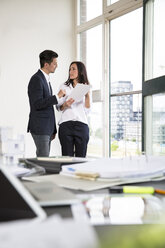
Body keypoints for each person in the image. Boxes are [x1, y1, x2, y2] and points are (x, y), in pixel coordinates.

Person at [27, 50, 66, 157]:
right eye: (54, 63)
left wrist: (52, 129)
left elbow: (48, 108)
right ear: (46, 64)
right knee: (43, 160)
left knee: (44, 160)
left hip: (46, 128)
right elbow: (37, 104)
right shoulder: (36, 79)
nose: (56, 66)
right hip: (40, 127)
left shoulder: (45, 79)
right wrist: (57, 96)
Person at [56, 61, 91, 157]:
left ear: (80, 71)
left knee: (81, 158)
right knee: (67, 158)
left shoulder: (85, 87)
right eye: (70, 69)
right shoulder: (64, 86)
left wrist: (87, 96)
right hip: (66, 125)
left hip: (81, 125)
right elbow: (58, 107)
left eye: (73, 69)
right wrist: (65, 105)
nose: (70, 71)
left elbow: (87, 111)